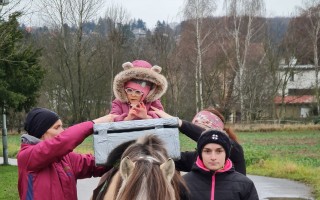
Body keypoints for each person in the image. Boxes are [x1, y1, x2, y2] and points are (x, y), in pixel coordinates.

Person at [17, 107, 115, 200]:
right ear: (42, 133)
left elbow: (98, 164)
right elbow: (64, 140)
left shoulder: (66, 158)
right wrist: (95, 123)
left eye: (62, 126)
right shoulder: (27, 157)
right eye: (57, 127)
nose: (62, 131)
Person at [151, 106, 246, 175]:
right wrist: (148, 121)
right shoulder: (197, 157)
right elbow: (165, 158)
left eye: (202, 131)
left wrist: (176, 122)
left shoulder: (234, 150)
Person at [183, 129, 259, 200]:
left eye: (219, 151)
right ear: (200, 154)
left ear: (226, 154)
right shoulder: (183, 183)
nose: (213, 157)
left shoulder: (245, 184)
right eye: (207, 151)